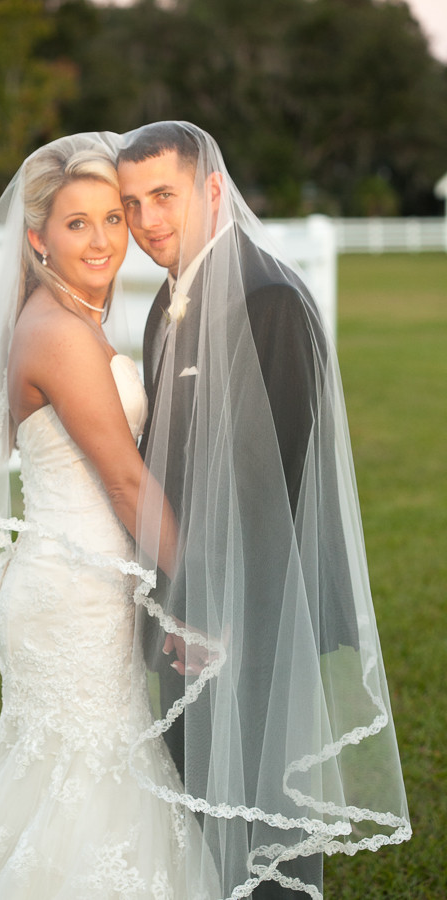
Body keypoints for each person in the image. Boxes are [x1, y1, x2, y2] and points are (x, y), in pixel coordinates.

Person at [116, 122, 411, 898]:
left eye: (164, 196)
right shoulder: (167, 302)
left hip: (251, 622)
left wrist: (206, 614)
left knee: (259, 830)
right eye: (133, 203)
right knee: (201, 814)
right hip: (188, 615)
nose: (148, 221)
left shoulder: (269, 298)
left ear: (213, 191)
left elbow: (271, 487)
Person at [0, 134, 221, 898]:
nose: (103, 240)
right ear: (37, 239)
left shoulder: (67, 319)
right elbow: (125, 480)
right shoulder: (59, 335)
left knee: (67, 785)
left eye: (113, 219)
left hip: (86, 586)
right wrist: (198, 601)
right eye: (77, 223)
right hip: (74, 599)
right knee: (87, 790)